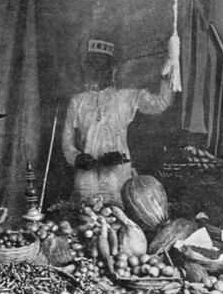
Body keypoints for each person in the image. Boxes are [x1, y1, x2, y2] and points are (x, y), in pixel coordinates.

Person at [61, 39, 177, 205]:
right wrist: (77, 158)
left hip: (117, 179)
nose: (98, 71)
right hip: (86, 182)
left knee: (118, 221)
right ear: (88, 68)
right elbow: (66, 143)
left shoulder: (126, 97)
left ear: (113, 70)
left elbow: (161, 103)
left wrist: (167, 73)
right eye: (93, 65)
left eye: (103, 66)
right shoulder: (77, 102)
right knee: (86, 224)